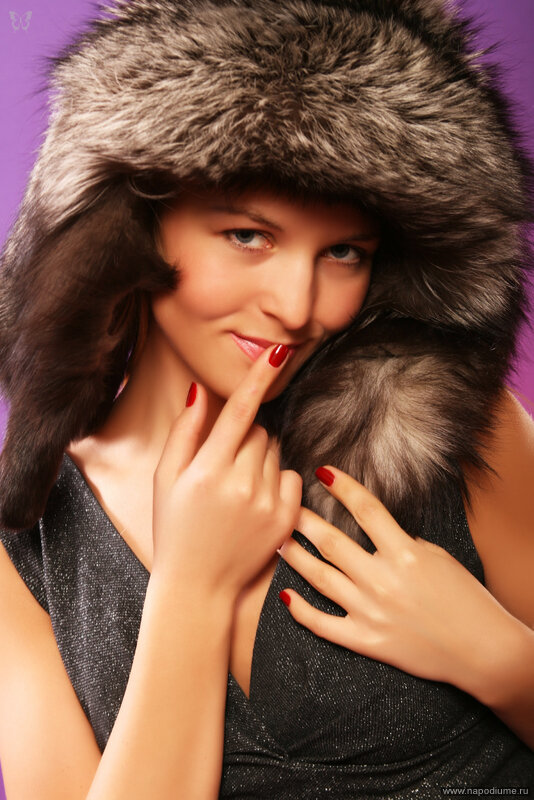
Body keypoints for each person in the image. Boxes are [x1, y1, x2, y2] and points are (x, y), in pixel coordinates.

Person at [0, 0, 533, 797]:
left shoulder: (456, 429)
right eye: (248, 236)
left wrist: (499, 658)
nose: (295, 305)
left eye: (344, 252)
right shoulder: (29, 541)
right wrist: (192, 588)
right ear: (134, 226)